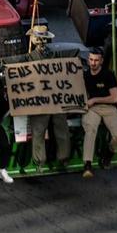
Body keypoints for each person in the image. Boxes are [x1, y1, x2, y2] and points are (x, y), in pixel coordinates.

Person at [21, 25, 73, 171]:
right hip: (39, 102)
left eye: (43, 39)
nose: (41, 42)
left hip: (56, 99)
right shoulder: (28, 57)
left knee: (61, 129)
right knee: (38, 131)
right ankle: (40, 161)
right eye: (38, 39)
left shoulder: (54, 55)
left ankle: (63, 158)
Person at [81, 47, 117, 178]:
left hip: (109, 108)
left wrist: (94, 99)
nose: (93, 63)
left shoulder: (108, 75)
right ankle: (87, 165)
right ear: (88, 60)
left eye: (96, 60)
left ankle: (109, 154)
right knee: (90, 130)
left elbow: (115, 97)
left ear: (101, 61)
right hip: (92, 110)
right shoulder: (85, 75)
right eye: (91, 60)